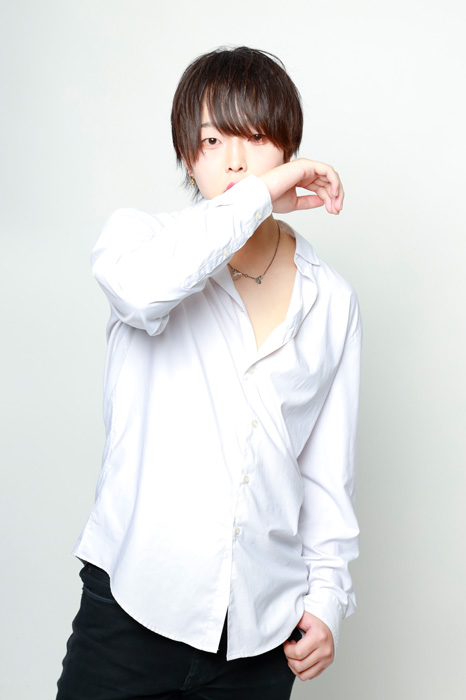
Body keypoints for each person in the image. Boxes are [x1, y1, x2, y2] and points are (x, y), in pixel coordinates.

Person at [56, 46, 361, 700]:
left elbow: (324, 472)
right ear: (186, 154)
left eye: (256, 137)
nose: (235, 161)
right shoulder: (140, 243)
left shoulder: (331, 299)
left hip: (262, 633)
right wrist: (261, 197)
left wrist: (326, 599)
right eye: (212, 140)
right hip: (133, 609)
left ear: (289, 145)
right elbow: (143, 294)